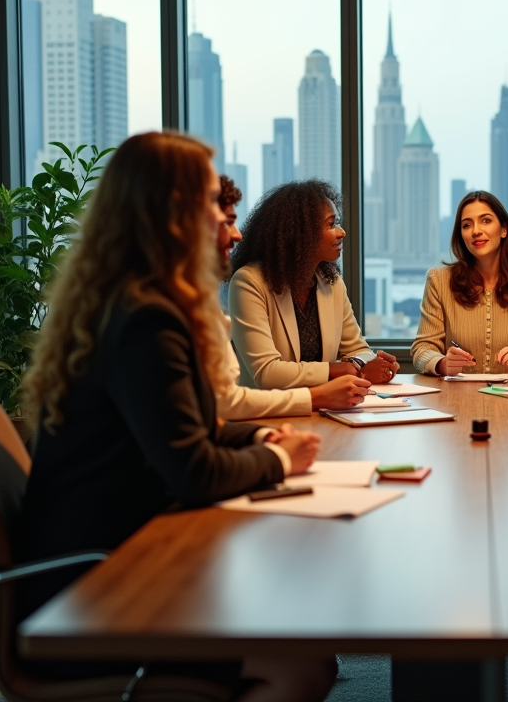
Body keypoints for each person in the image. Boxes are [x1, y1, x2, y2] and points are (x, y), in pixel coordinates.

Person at [17, 132, 336, 702]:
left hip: (117, 562)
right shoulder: (146, 321)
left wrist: (260, 433)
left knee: (304, 646)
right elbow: (193, 471)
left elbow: (192, 426)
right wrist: (277, 458)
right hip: (100, 593)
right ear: (173, 215)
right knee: (303, 667)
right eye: (217, 206)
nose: (235, 229)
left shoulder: (131, 303)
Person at [216, 176, 373, 415]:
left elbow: (358, 349)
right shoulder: (249, 282)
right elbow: (267, 373)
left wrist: (366, 364)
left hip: (326, 412)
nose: (342, 232)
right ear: (300, 233)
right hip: (270, 417)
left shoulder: (331, 282)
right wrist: (333, 369)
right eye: (331, 225)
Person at [411, 191, 508, 376]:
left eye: (486, 221)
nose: (475, 231)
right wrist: (442, 363)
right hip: (456, 398)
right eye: (467, 225)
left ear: (504, 229)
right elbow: (422, 348)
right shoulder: (438, 280)